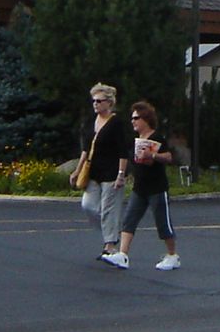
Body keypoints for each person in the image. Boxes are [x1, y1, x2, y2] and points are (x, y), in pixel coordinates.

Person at [110, 100, 180, 270]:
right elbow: (127, 158)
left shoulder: (156, 137)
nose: (133, 121)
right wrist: (123, 175)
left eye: (136, 118)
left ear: (145, 119)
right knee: (129, 220)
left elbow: (169, 157)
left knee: (162, 222)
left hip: (157, 188)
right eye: (132, 118)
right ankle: (123, 254)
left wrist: (153, 155)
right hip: (139, 187)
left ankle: (172, 255)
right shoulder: (136, 140)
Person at [77, 83, 132, 263]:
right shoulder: (91, 121)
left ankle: (110, 246)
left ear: (109, 103)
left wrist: (121, 174)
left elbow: (123, 150)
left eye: (99, 101)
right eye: (94, 101)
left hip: (111, 171)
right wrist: (77, 170)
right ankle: (112, 231)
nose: (95, 104)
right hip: (93, 171)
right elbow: (86, 149)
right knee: (88, 205)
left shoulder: (116, 123)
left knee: (109, 208)